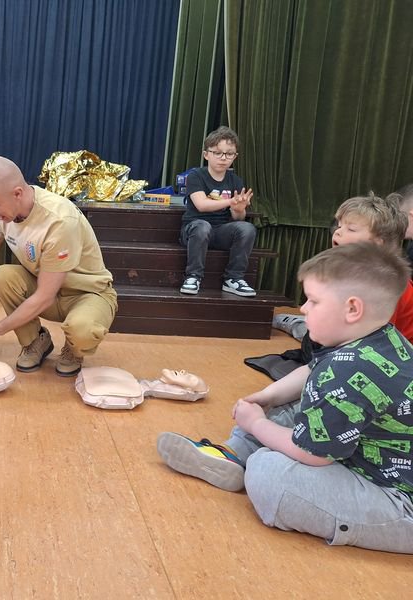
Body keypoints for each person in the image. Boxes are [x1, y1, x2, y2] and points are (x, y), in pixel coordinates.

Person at [157, 242, 413, 553]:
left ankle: (247, 454)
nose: (302, 309)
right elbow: (311, 370)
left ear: (352, 309)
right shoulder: (380, 337)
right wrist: (268, 396)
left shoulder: (348, 370)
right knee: (294, 404)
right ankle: (234, 453)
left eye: (313, 301)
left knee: (269, 473)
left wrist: (256, 424)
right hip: (368, 456)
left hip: (397, 500)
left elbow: (312, 455)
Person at [0, 155, 118, 376]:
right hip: (51, 291)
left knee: (81, 330)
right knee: (4, 277)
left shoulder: (58, 221)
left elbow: (44, 297)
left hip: (87, 293)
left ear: (17, 193)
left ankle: (74, 350)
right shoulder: (6, 211)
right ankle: (36, 341)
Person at [272, 193, 413, 347]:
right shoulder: (345, 271)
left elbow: (378, 342)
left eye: (351, 229)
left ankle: (297, 325)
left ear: (378, 243)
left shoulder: (389, 285)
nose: (338, 232)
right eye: (339, 226)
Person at [179, 126, 256, 296]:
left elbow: (238, 218)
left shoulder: (236, 181)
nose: (223, 158)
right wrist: (230, 201)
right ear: (206, 154)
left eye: (229, 154)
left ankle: (234, 278)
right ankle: (193, 276)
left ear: (235, 157)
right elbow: (201, 205)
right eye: (218, 153)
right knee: (202, 226)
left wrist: (238, 209)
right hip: (194, 230)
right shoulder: (196, 176)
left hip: (221, 231)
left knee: (247, 228)